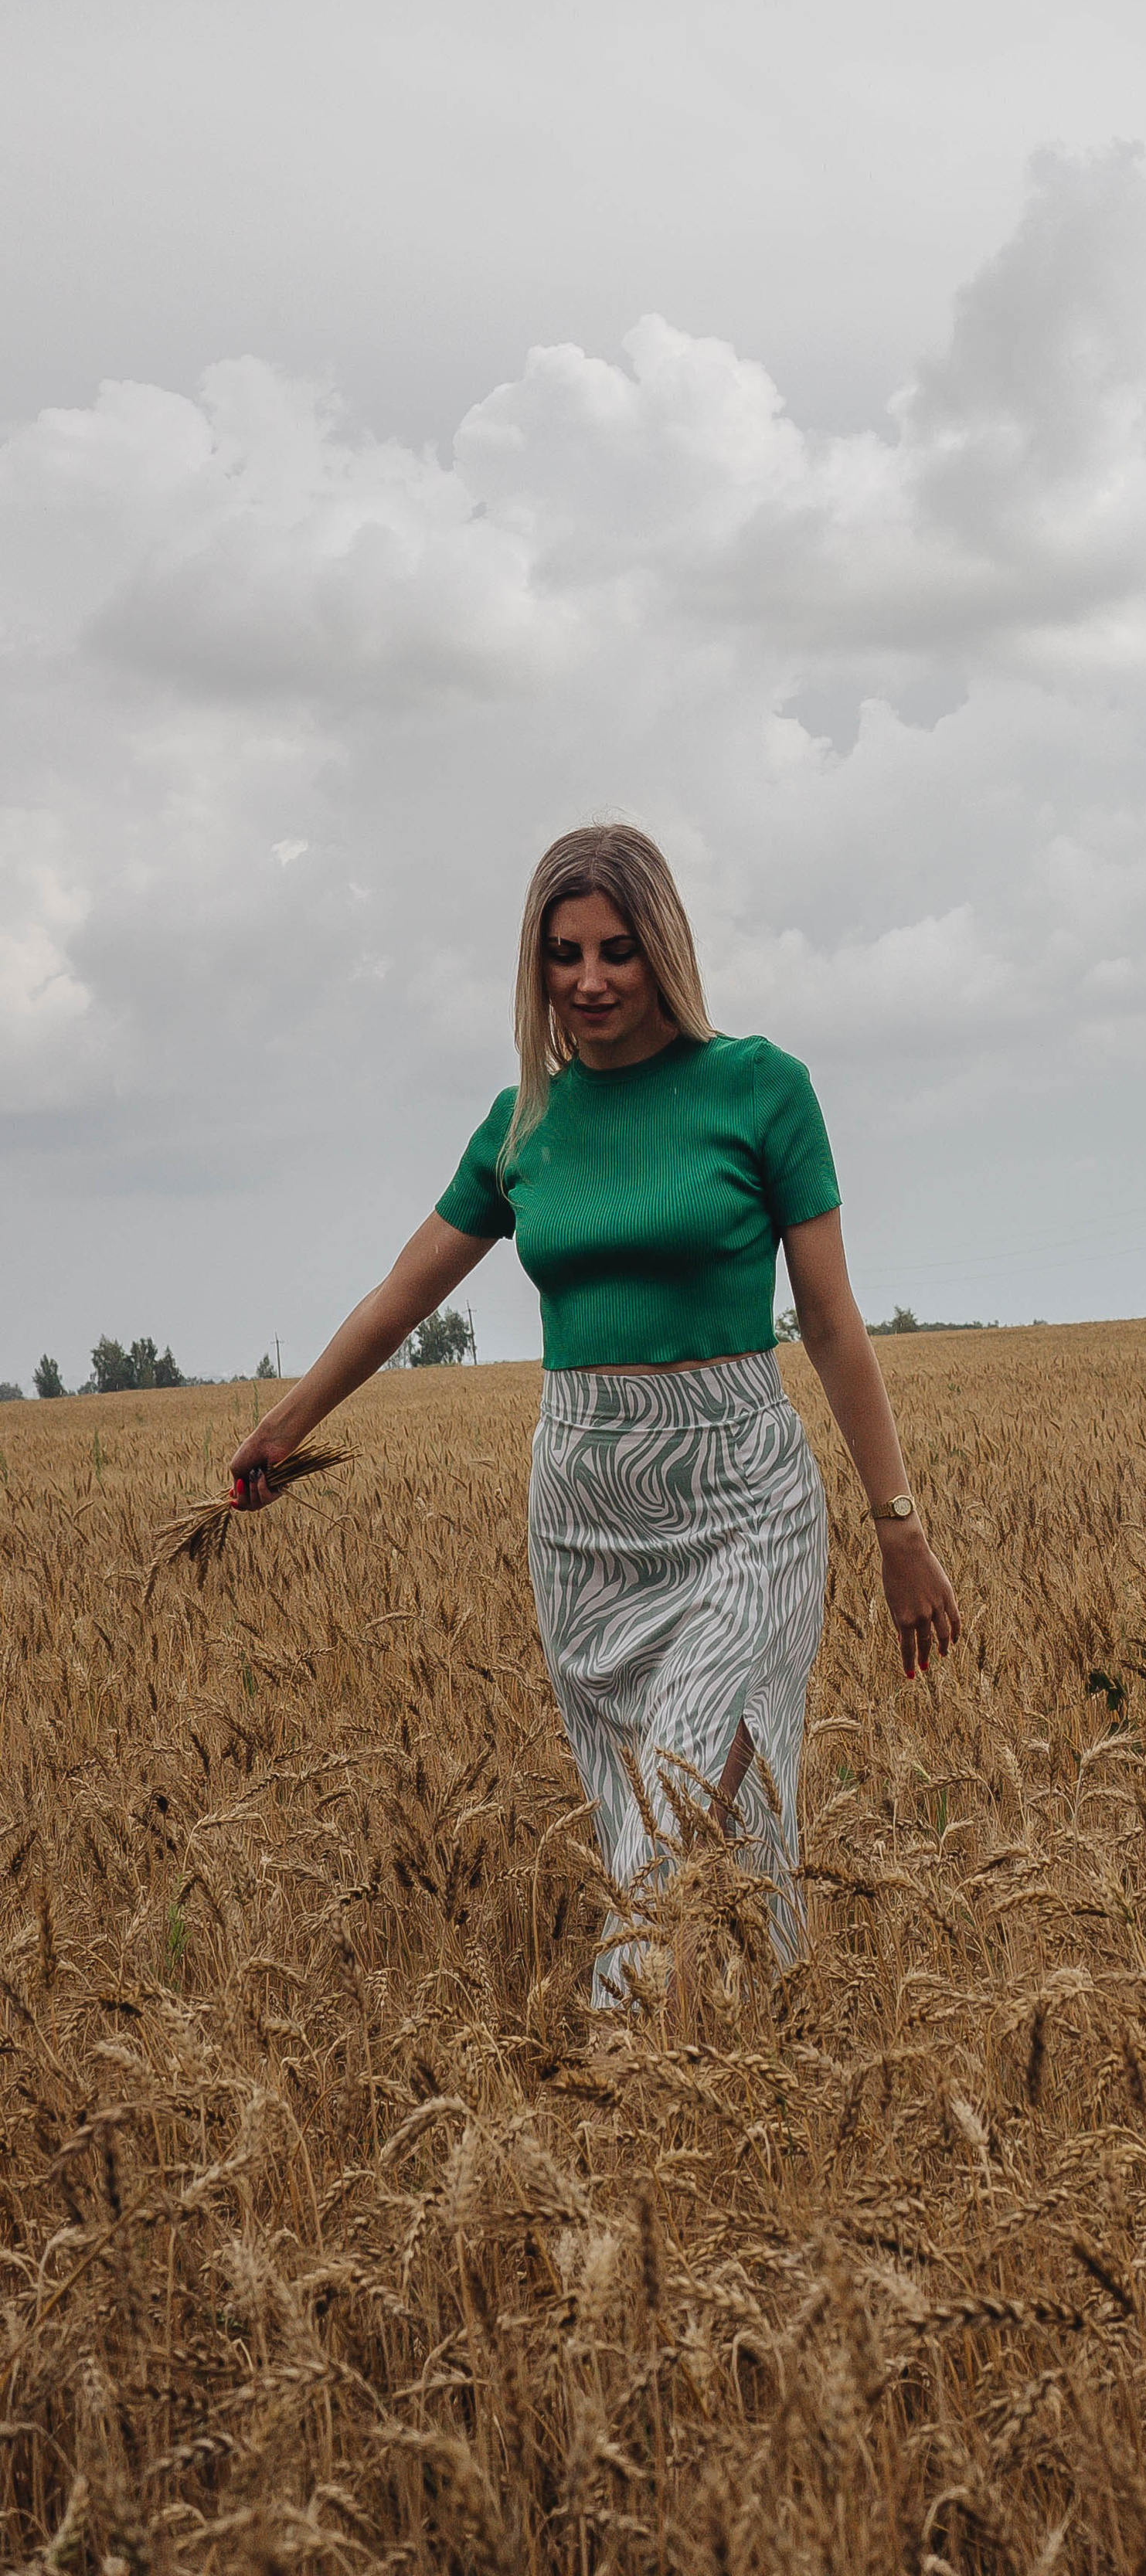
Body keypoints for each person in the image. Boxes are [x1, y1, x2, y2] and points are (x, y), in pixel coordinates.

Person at [229, 821, 961, 1997]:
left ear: (663, 947)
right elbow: (399, 1298)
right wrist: (285, 1428)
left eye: (617, 950)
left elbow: (828, 1322)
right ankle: (746, 2074)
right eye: (562, 956)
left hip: (743, 1514)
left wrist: (898, 1524)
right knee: (666, 1827)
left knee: (667, 1846)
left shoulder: (761, 1090)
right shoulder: (524, 1123)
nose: (590, 980)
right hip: (583, 1527)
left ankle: (623, 2089)